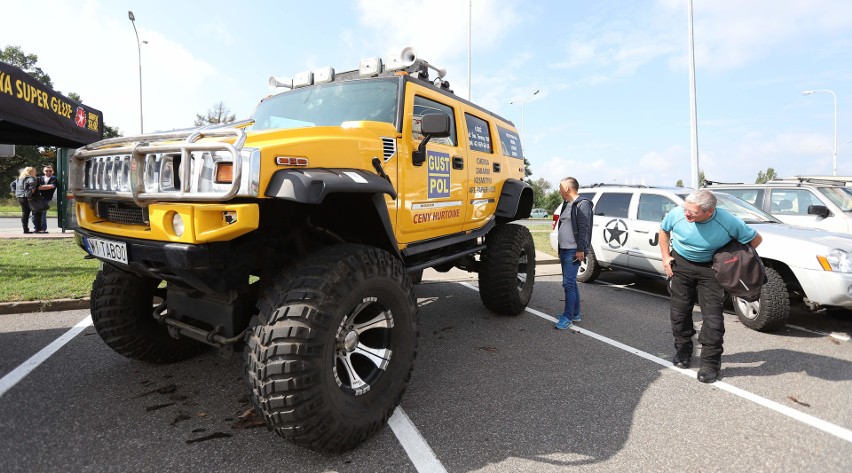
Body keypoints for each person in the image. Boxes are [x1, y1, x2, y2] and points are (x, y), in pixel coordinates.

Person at [658, 189, 762, 383]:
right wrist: (665, 257)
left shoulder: (727, 220)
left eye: (692, 212)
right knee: (679, 314)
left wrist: (730, 260)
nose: (686, 214)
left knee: (713, 319)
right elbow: (663, 230)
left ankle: (710, 362)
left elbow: (755, 240)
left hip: (712, 270)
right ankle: (683, 350)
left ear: (709, 211)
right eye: (685, 209)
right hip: (681, 265)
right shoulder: (678, 214)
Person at [554, 177, 594, 330]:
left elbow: (584, 229)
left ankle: (567, 317)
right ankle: (575, 313)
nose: (558, 190)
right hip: (564, 248)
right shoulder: (567, 204)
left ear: (567, 187)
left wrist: (581, 250)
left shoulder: (583, 205)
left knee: (568, 284)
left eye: (560, 186)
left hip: (573, 250)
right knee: (570, 283)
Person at [13, 167, 41, 234]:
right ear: (31, 172)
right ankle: (38, 229)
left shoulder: (19, 178)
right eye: (34, 171)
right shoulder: (30, 178)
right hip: (27, 197)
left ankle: (25, 229)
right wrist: (30, 191)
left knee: (25, 213)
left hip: (20, 197)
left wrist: (16, 191)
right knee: (37, 212)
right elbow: (32, 183)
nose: (36, 173)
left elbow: (12, 184)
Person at [32, 165, 58, 233]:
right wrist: (44, 187)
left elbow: (51, 186)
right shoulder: (39, 178)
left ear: (53, 172)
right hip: (37, 198)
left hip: (46, 198)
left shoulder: (54, 179)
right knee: (34, 214)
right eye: (46, 171)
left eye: (50, 171)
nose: (48, 172)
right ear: (44, 171)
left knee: (42, 213)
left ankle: (43, 229)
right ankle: (37, 228)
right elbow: (35, 187)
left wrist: (41, 187)